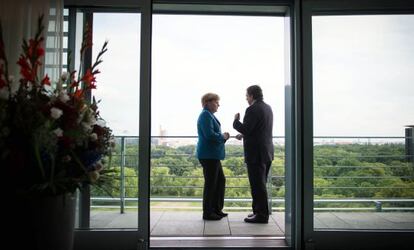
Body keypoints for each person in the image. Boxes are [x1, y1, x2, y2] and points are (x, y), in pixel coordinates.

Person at [233, 85, 274, 224]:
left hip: (256, 154)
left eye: (246, 96)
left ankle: (261, 215)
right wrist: (243, 134)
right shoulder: (267, 108)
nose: (246, 99)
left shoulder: (252, 109)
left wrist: (236, 122)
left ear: (251, 95)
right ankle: (258, 211)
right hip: (267, 152)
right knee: (260, 184)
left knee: (258, 185)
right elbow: (257, 129)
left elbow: (247, 128)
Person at [196, 93, 230, 220]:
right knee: (211, 183)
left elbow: (211, 134)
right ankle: (208, 213)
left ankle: (216, 209)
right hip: (208, 155)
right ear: (207, 102)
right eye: (216, 102)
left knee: (220, 181)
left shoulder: (209, 115)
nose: (218, 105)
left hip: (212, 155)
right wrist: (223, 136)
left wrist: (223, 137)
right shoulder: (205, 115)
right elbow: (209, 135)